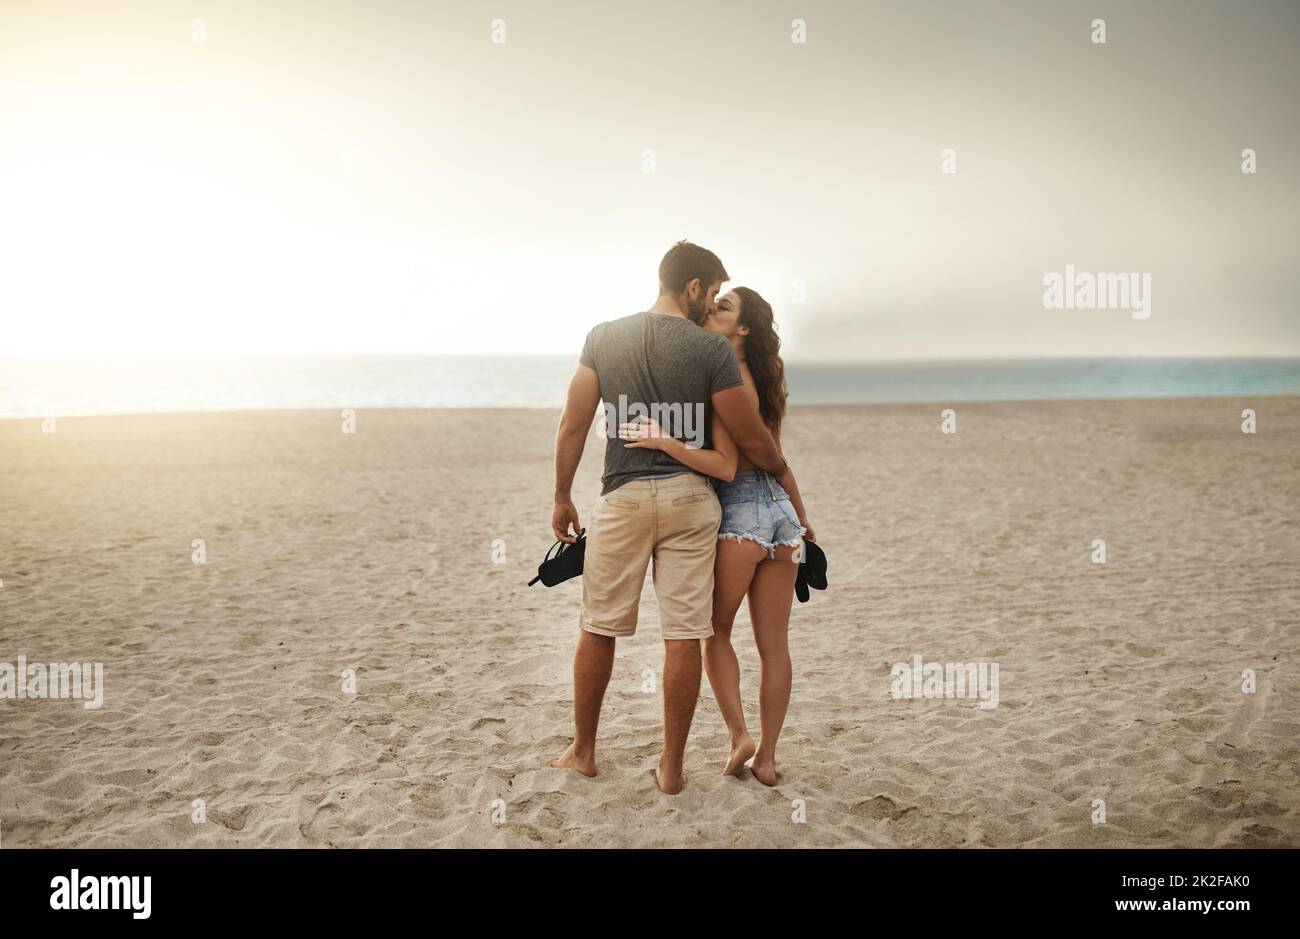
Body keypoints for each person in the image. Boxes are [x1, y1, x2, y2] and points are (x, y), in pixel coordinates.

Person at [549, 241, 787, 795]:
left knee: (598, 626)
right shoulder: (711, 352)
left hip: (624, 498)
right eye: (713, 292)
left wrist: (562, 496)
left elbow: (572, 424)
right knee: (683, 634)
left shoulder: (604, 337)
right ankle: (672, 768)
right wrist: (781, 469)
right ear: (694, 288)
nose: (714, 306)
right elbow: (747, 433)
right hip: (689, 501)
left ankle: (583, 751)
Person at [618, 287, 812, 785]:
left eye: (725, 307)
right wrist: (805, 524)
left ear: (742, 329)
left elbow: (727, 467)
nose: (713, 309)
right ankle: (767, 759)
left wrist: (664, 440)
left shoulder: (729, 380)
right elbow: (779, 460)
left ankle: (739, 735)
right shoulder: (769, 380)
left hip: (740, 515)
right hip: (782, 516)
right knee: (776, 647)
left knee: (714, 633)